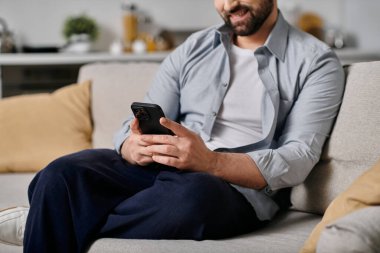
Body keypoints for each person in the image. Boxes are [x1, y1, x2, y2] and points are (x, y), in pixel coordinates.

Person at [0, 0, 345, 252]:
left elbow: (299, 156)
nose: (231, 4)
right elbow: (136, 121)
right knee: (60, 174)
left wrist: (209, 162)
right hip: (159, 165)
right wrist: (130, 146)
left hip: (229, 184)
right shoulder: (194, 48)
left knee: (192, 201)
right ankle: (54, 215)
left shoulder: (316, 61)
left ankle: (44, 222)